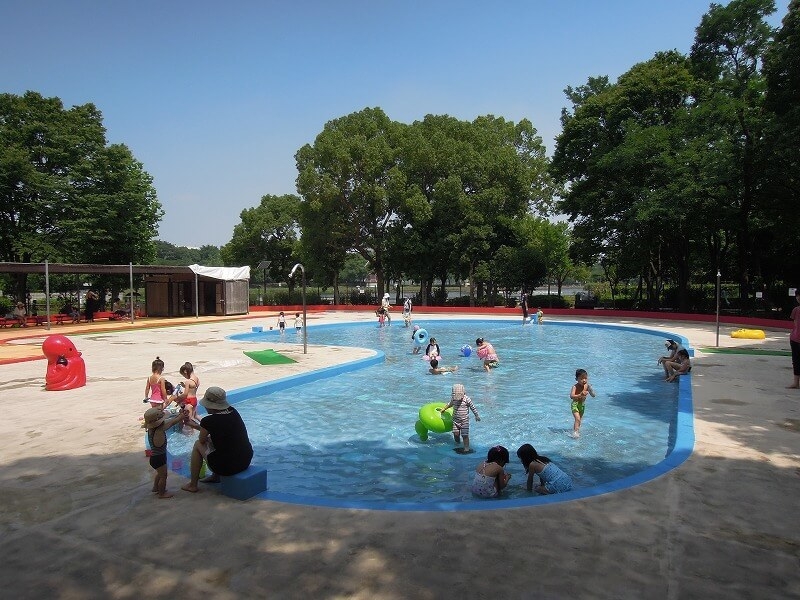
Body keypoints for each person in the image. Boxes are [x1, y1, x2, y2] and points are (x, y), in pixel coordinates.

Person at [181, 386, 254, 492]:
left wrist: (190, 424)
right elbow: (215, 430)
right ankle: (215, 477)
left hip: (228, 468)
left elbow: (202, 440)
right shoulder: (233, 411)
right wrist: (192, 425)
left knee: (198, 444)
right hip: (245, 460)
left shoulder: (209, 421)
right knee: (216, 441)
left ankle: (193, 485)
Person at [143, 406, 184, 498]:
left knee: (160, 474)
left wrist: (179, 415)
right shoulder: (160, 429)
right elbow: (172, 422)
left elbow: (170, 421)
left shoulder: (151, 430)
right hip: (159, 458)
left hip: (154, 458)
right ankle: (162, 493)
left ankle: (155, 487)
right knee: (163, 476)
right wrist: (181, 416)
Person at [439, 383, 481, 453]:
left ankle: (466, 448)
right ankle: (457, 444)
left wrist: (476, 415)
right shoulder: (454, 399)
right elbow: (449, 404)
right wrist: (444, 409)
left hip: (464, 421)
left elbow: (473, 407)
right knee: (456, 434)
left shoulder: (467, 399)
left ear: (464, 393)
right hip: (455, 421)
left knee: (465, 435)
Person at [570, 368, 596, 438]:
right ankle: (575, 433)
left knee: (579, 420)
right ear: (576, 379)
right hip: (575, 404)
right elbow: (571, 396)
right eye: (581, 379)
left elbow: (593, 395)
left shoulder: (587, 386)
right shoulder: (574, 387)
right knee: (577, 419)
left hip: (582, 405)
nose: (584, 380)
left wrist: (590, 389)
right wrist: (580, 395)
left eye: (585, 378)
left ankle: (577, 430)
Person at [789, 289, 800, 389]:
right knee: (796, 361)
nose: (798, 297)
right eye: (797, 295)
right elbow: (795, 324)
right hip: (795, 339)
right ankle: (796, 382)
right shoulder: (796, 310)